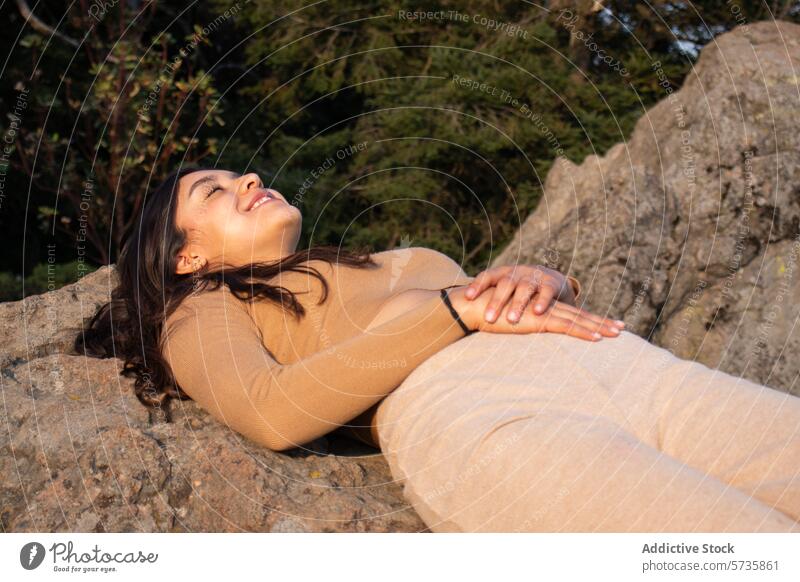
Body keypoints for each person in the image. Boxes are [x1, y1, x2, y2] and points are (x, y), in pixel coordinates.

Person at [77, 167, 800, 532]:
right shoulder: (202, 308)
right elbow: (271, 412)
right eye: (215, 188)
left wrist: (547, 281)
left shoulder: (359, 261)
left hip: (628, 366)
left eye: (243, 172)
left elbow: (488, 303)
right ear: (186, 257)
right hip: (488, 419)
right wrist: (455, 308)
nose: (251, 179)